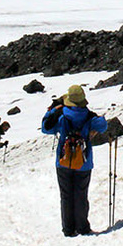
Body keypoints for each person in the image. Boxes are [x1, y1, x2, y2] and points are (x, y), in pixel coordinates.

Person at [41, 84, 110, 236]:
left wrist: (52, 110)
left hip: (63, 161)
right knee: (81, 194)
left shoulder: (61, 116)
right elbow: (103, 126)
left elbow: (46, 128)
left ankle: (68, 228)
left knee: (66, 195)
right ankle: (83, 227)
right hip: (84, 162)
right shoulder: (88, 116)